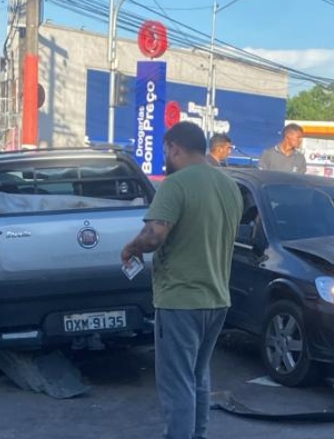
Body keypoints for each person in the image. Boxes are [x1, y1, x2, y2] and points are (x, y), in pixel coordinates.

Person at [121, 121, 243, 439]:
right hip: (217, 298)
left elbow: (154, 235)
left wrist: (131, 248)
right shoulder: (229, 186)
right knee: (198, 376)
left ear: (174, 147)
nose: (166, 157)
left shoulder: (175, 185)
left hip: (180, 299)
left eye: (166, 151)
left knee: (177, 385)